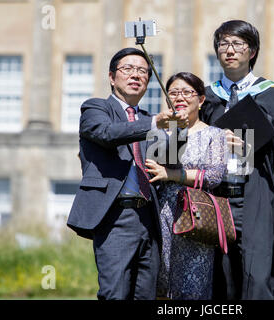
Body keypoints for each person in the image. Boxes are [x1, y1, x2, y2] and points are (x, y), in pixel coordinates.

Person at [199, 20, 274, 300]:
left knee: (259, 275)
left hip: (259, 193)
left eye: (238, 44)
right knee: (221, 276)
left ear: (252, 51)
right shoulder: (205, 97)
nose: (230, 50)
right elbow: (183, 148)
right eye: (223, 44)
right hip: (216, 195)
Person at [67, 47, 188, 300]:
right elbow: (107, 134)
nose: (136, 75)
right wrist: (155, 123)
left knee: (146, 294)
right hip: (115, 217)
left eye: (143, 71)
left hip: (148, 216)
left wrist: (178, 130)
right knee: (116, 293)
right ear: (112, 77)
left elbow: (167, 160)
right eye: (128, 69)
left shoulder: (147, 119)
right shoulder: (95, 109)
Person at [145, 72, 228, 299]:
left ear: (201, 100)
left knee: (193, 285)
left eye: (186, 92)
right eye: (173, 92)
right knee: (160, 282)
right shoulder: (159, 133)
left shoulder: (215, 134)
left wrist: (171, 174)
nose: (179, 97)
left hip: (197, 215)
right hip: (162, 213)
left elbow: (214, 176)